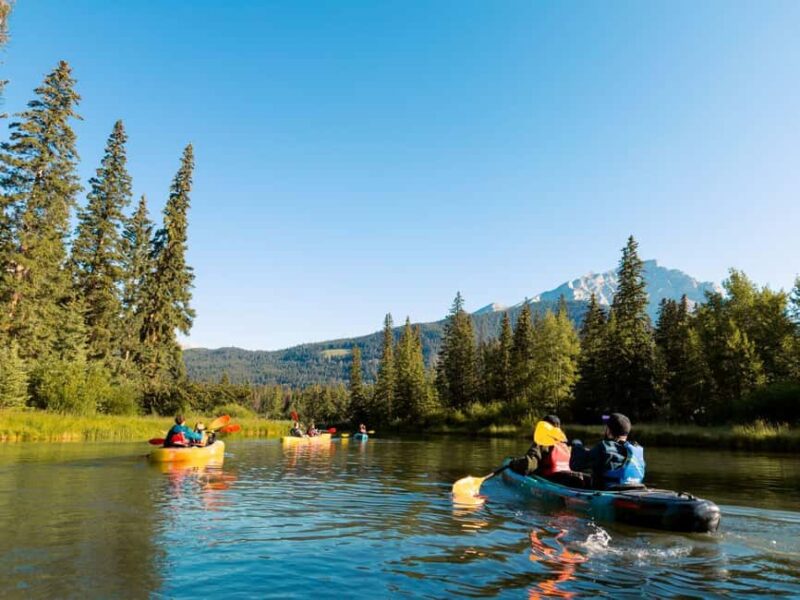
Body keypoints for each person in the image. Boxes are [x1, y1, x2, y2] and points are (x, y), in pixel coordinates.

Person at [569, 412, 646, 490]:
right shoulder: (637, 449)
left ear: (608, 431)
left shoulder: (604, 447)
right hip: (635, 488)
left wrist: (577, 446)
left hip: (607, 491)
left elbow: (576, 465)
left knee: (567, 477)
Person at [509, 415, 585, 486]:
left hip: (551, 480)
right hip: (565, 478)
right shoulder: (566, 446)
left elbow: (528, 465)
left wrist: (514, 463)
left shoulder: (542, 443)